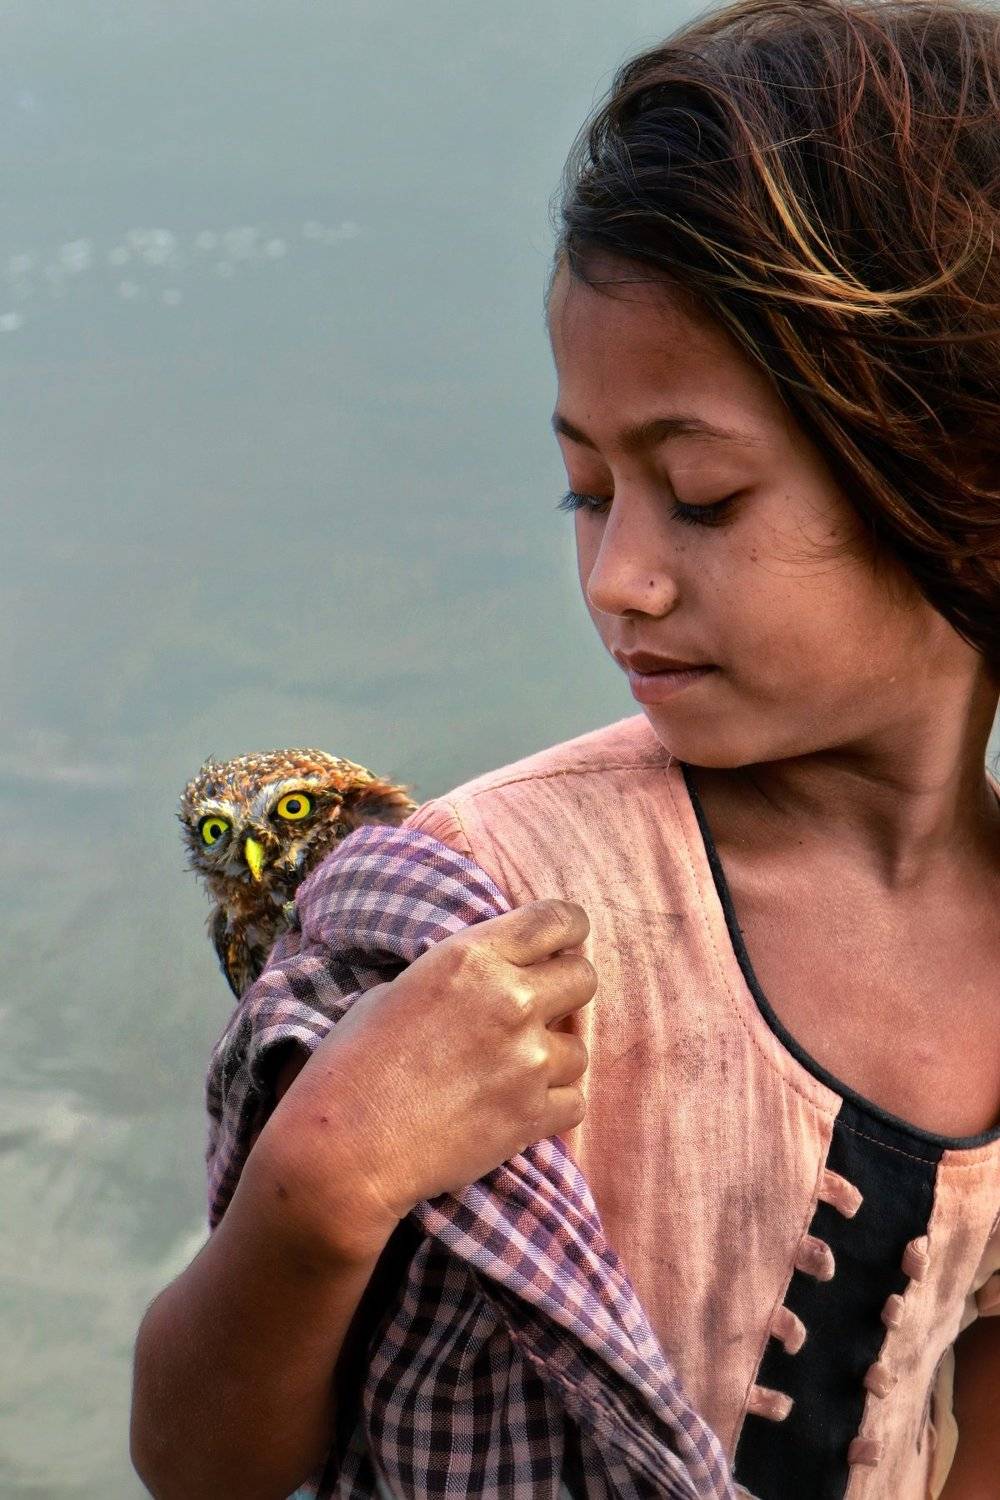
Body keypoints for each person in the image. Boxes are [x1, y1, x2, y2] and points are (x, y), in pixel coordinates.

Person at [130, 2, 1000, 1497]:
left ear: (962, 478)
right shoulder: (476, 917)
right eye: (586, 491)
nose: (618, 579)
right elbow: (203, 1461)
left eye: (703, 496)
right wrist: (326, 1177)